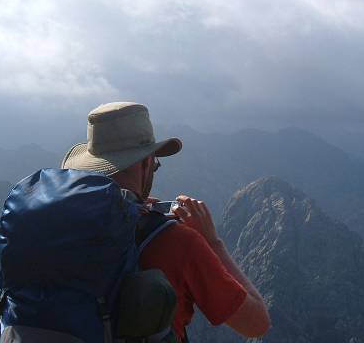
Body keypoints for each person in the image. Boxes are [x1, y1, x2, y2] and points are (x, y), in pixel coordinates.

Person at [61, 102, 270, 342]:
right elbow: (256, 323)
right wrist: (212, 242)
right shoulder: (178, 242)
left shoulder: (55, 226)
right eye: (155, 164)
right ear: (146, 162)